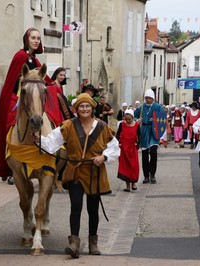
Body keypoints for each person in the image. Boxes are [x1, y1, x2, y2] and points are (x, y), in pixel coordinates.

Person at [33, 93, 120, 258]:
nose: (85, 109)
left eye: (87, 106)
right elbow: (52, 142)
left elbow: (114, 146)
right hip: (75, 171)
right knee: (76, 206)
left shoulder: (102, 126)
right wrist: (39, 139)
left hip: (95, 171)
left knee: (93, 209)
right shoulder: (68, 126)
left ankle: (93, 242)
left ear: (92, 108)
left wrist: (103, 157)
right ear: (77, 109)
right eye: (81, 106)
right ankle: (74, 242)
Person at [0, 27, 52, 184]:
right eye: (33, 38)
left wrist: (55, 86)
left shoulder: (33, 59)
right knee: (10, 125)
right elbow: (13, 82)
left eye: (38, 38)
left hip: (33, 97)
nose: (36, 40)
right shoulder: (20, 56)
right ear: (27, 40)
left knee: (54, 112)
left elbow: (45, 77)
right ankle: (11, 165)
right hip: (17, 96)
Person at [134, 89, 165, 184]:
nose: (148, 100)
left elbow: (162, 119)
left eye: (149, 98)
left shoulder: (158, 107)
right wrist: (137, 120)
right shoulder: (141, 107)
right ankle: (146, 176)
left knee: (153, 153)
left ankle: (153, 175)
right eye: (146, 98)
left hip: (153, 131)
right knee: (144, 155)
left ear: (153, 98)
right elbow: (134, 116)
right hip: (144, 131)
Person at [116, 109, 140, 191]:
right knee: (125, 167)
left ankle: (133, 183)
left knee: (133, 166)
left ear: (132, 118)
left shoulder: (136, 125)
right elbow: (118, 134)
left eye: (129, 119)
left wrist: (138, 143)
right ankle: (127, 186)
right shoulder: (122, 125)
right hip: (124, 148)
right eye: (126, 119)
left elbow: (139, 136)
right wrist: (118, 142)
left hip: (132, 148)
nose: (128, 121)